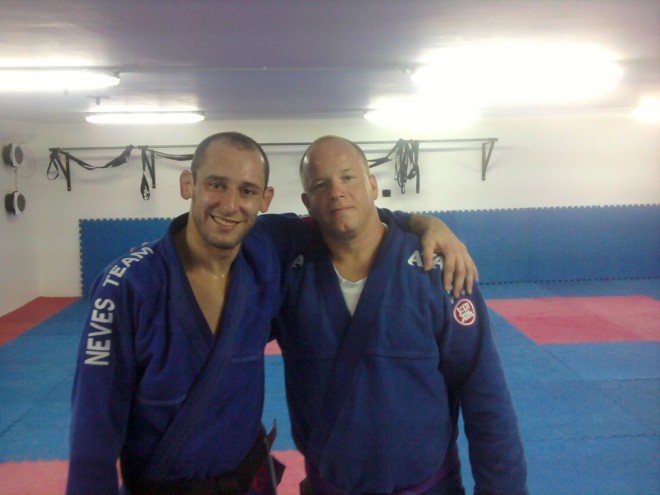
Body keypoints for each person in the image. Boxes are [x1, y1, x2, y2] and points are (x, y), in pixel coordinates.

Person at [66, 131, 478, 495]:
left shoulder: (269, 248)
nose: (230, 204)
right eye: (216, 184)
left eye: (247, 191)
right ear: (188, 184)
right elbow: (92, 432)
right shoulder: (128, 286)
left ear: (265, 200)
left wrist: (423, 223)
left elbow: (351, 217)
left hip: (249, 482)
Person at [273, 136, 528, 495]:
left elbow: (486, 398)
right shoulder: (288, 278)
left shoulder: (437, 272)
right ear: (307, 203)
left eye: (348, 177)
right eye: (320, 185)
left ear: (372, 185)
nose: (336, 192)